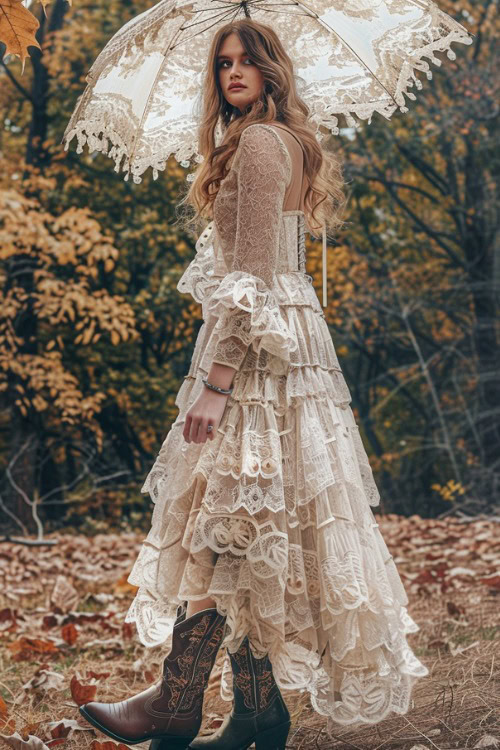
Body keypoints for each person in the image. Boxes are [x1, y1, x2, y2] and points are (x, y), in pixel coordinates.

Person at [78, 18, 429, 750]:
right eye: (222, 63)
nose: (232, 72)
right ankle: (258, 712)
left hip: (260, 355)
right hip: (278, 342)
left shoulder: (263, 144)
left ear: (272, 68)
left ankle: (173, 702)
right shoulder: (268, 141)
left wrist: (217, 380)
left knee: (230, 521)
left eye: (247, 60)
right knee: (247, 526)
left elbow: (251, 280)